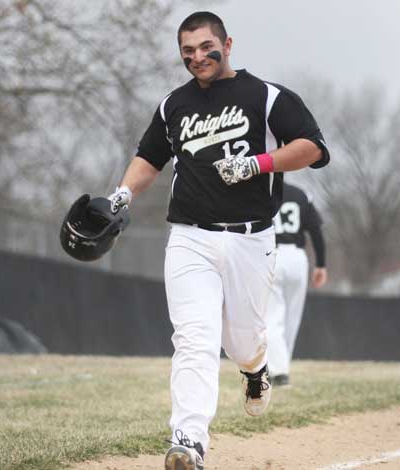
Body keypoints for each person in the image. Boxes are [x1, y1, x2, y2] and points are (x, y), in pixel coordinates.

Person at [106, 11, 330, 470]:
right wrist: (122, 194)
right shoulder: (174, 105)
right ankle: (188, 440)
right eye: (186, 51)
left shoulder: (264, 96)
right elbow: (149, 157)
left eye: (205, 47)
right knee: (194, 338)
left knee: (242, 341)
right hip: (190, 237)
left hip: (251, 238)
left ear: (227, 45)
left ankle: (254, 368)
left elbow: (313, 147)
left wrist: (257, 164)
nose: (196, 57)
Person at [265, 182, 328, 387]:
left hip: (271, 254)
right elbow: (316, 230)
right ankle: (281, 367)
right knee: (292, 317)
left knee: (272, 316)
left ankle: (278, 370)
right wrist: (321, 264)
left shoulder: (263, 189)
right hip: (297, 257)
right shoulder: (301, 193)